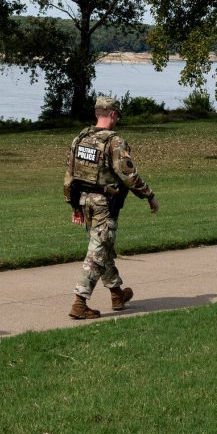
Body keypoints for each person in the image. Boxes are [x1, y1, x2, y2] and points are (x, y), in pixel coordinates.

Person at [64, 95, 158, 319]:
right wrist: (149, 195)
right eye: (117, 115)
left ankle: (117, 294)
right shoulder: (114, 142)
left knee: (103, 248)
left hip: (85, 202)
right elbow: (129, 176)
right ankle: (79, 302)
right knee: (97, 252)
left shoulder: (80, 139)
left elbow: (70, 175)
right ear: (113, 114)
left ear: (97, 113)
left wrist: (73, 205)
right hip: (104, 205)